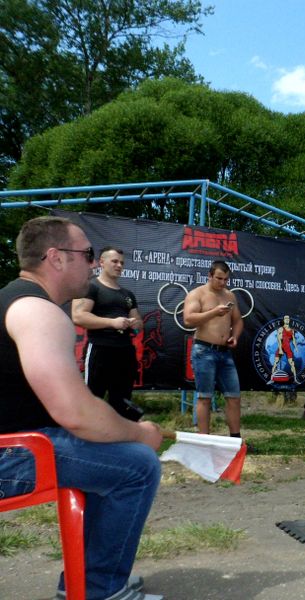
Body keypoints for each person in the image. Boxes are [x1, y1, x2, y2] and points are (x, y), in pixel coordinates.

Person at [0, 216, 163, 600]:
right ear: (56, 257)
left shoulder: (12, 300)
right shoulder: (39, 312)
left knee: (108, 453)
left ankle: (86, 581)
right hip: (11, 454)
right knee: (138, 466)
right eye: (87, 254)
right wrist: (140, 433)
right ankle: (98, 590)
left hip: (13, 444)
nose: (93, 263)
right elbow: (75, 413)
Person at [72, 246, 144, 421]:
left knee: (123, 401)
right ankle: (88, 436)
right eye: (115, 261)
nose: (119, 265)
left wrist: (135, 324)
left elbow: (139, 324)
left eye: (122, 263)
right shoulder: (91, 287)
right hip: (100, 349)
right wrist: (112, 322)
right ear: (102, 262)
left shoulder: (128, 294)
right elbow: (78, 316)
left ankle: (119, 436)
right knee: (92, 398)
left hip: (125, 351)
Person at [184, 261, 245, 438]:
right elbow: (188, 319)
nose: (223, 282)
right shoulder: (197, 294)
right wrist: (213, 312)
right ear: (209, 275)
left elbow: (238, 321)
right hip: (204, 350)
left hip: (225, 352)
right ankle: (205, 441)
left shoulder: (229, 295)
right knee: (204, 397)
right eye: (219, 278)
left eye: (226, 279)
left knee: (234, 397)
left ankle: (235, 440)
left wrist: (235, 336)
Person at [269, 315, 300, 384]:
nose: (287, 320)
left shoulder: (291, 330)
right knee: (275, 363)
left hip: (288, 347)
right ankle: (271, 379)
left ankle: (295, 379)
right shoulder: (281, 329)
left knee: (292, 364)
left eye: (288, 319)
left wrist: (296, 347)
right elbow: (279, 339)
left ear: (289, 320)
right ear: (284, 320)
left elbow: (294, 340)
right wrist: (280, 349)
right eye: (285, 319)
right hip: (281, 347)